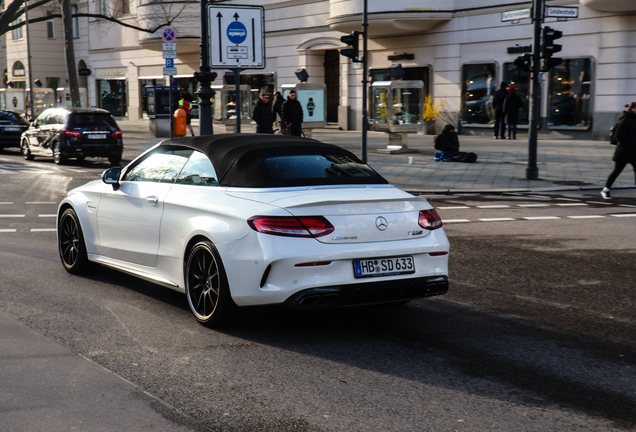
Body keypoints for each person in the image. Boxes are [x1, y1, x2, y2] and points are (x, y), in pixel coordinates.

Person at [601, 102, 636, 199]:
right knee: (617, 171)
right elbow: (619, 135)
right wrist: (630, 144)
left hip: (633, 151)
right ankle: (606, 189)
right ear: (633, 109)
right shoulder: (626, 119)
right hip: (624, 151)